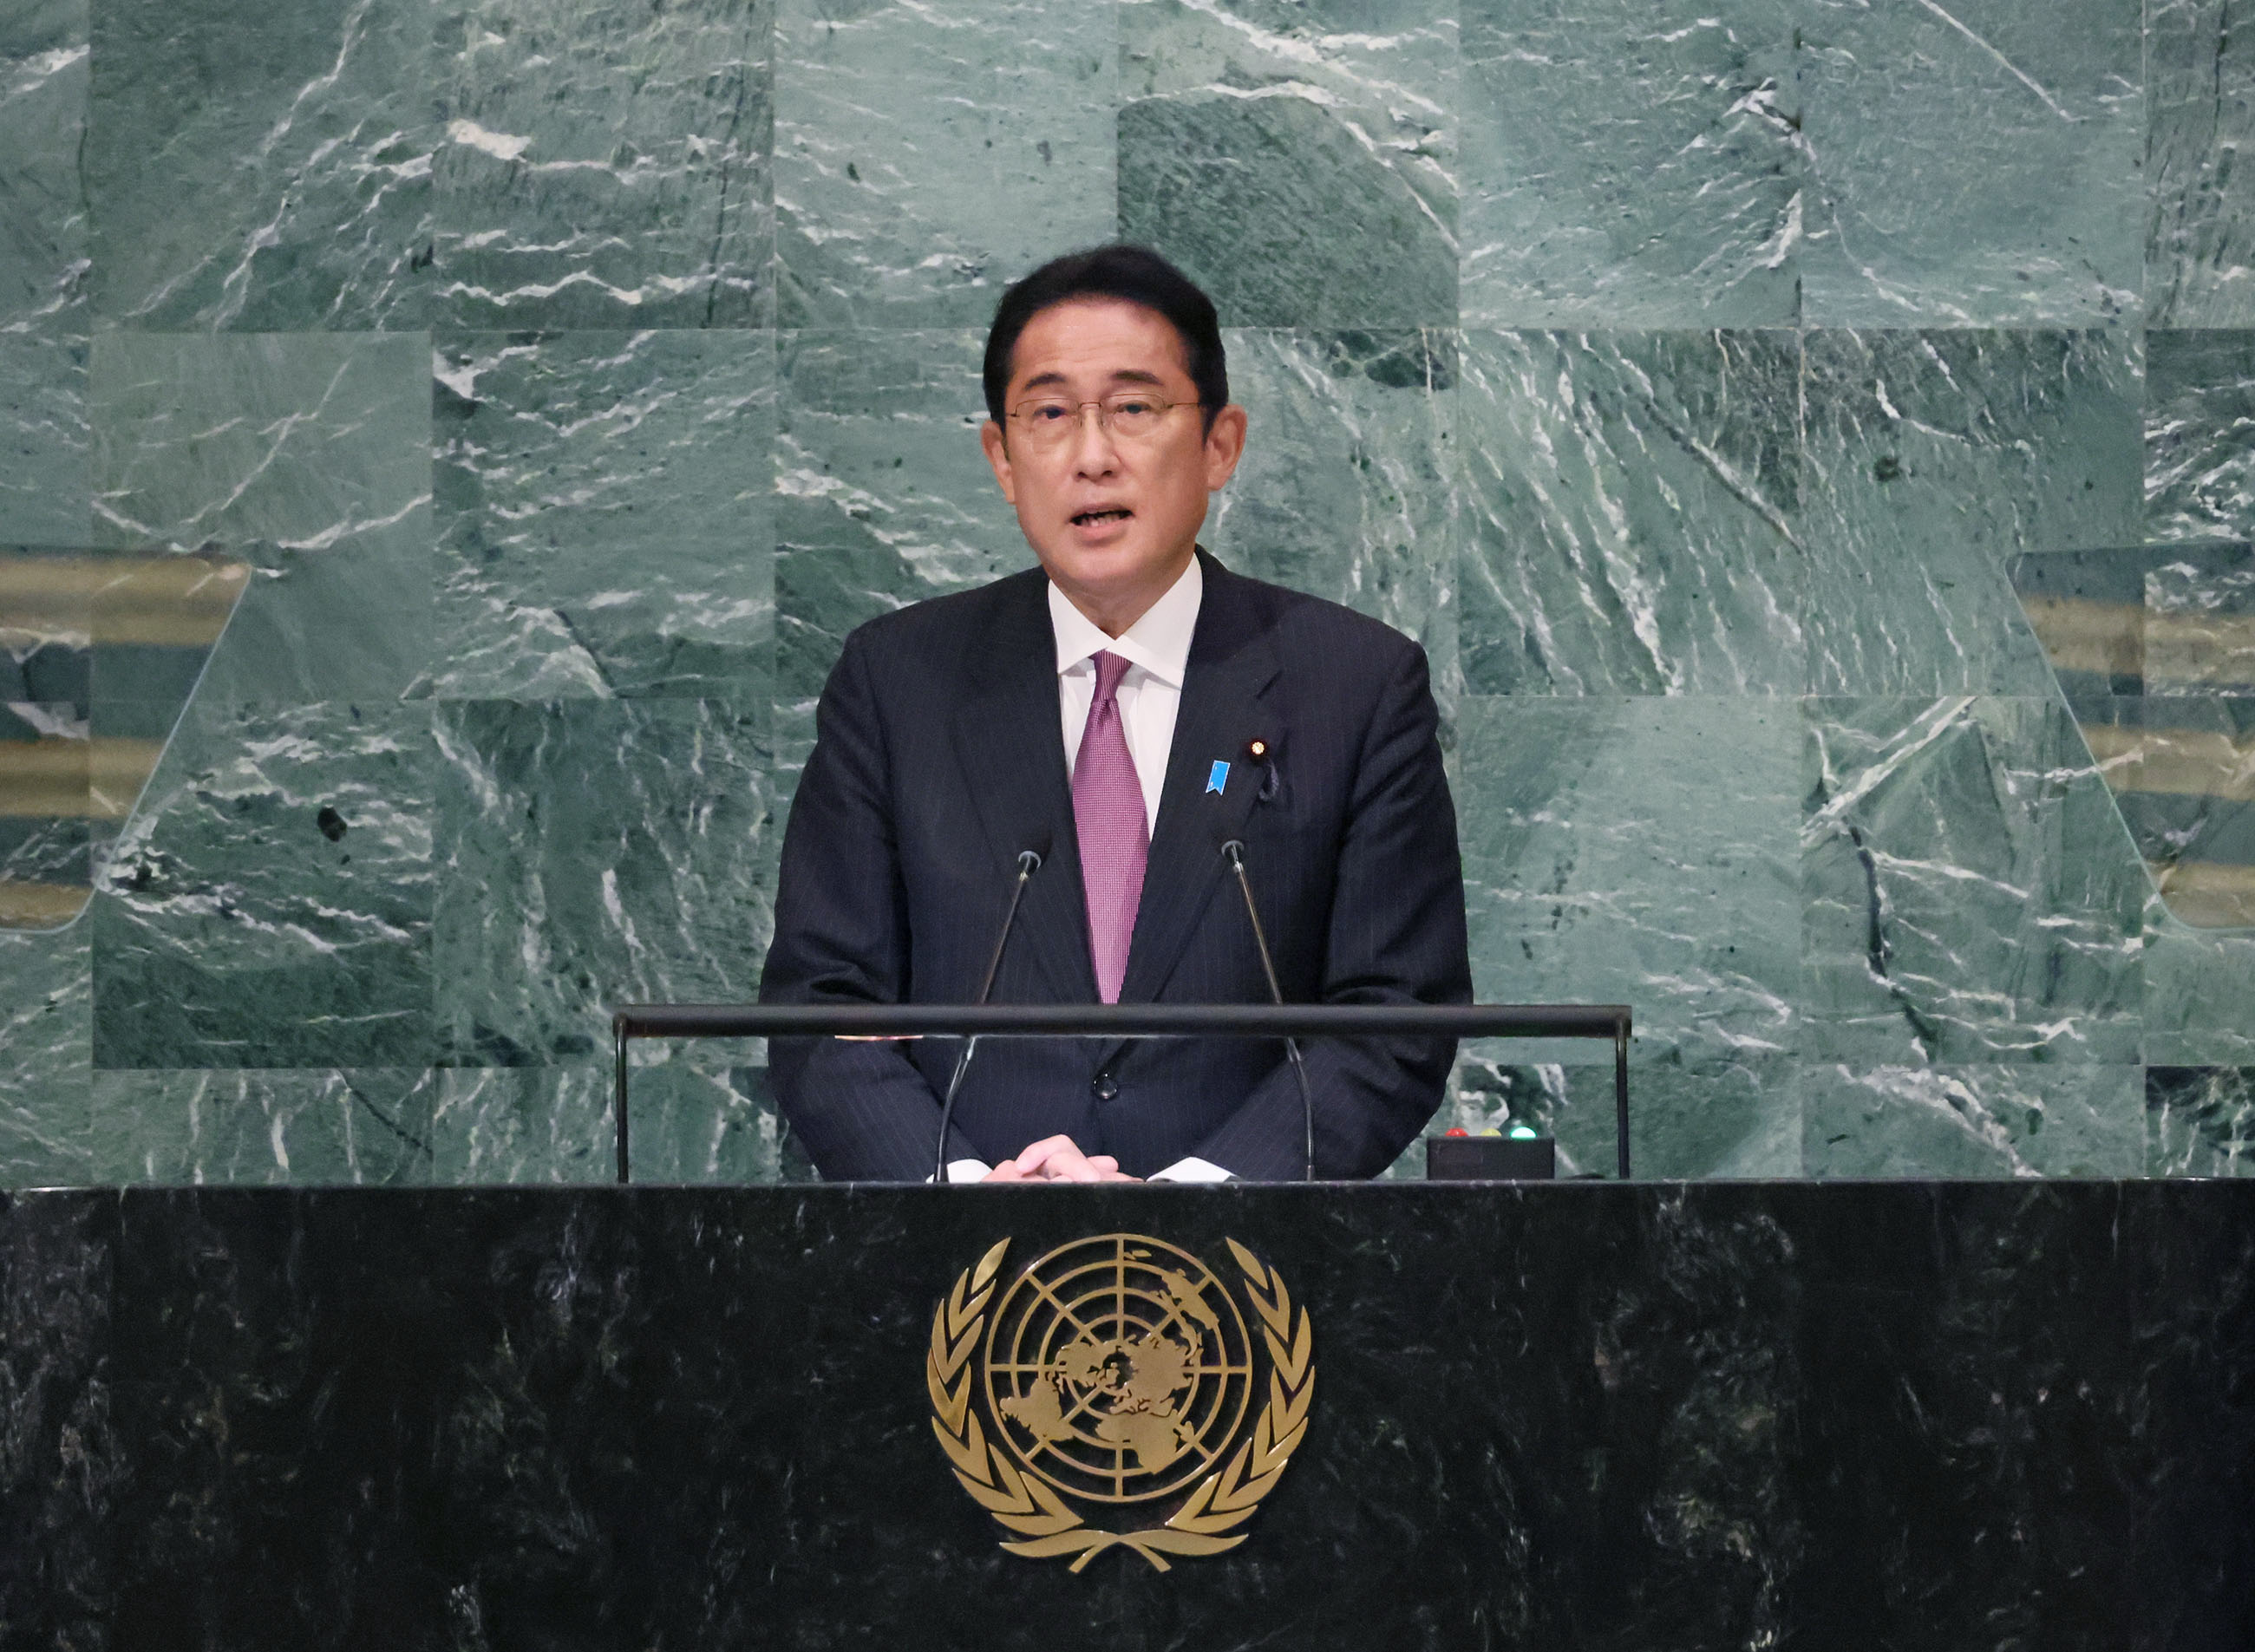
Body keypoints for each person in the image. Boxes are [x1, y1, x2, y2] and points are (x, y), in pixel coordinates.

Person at [759, 244, 1471, 1183]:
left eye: (1133, 408)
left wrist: (1193, 1201)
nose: (1091, 457)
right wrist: (965, 1198)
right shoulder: (898, 684)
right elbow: (825, 1008)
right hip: (955, 1257)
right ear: (1002, 458)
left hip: (1246, 1259)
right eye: (1050, 414)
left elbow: (1394, 1016)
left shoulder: (1354, 684)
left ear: (1219, 445)